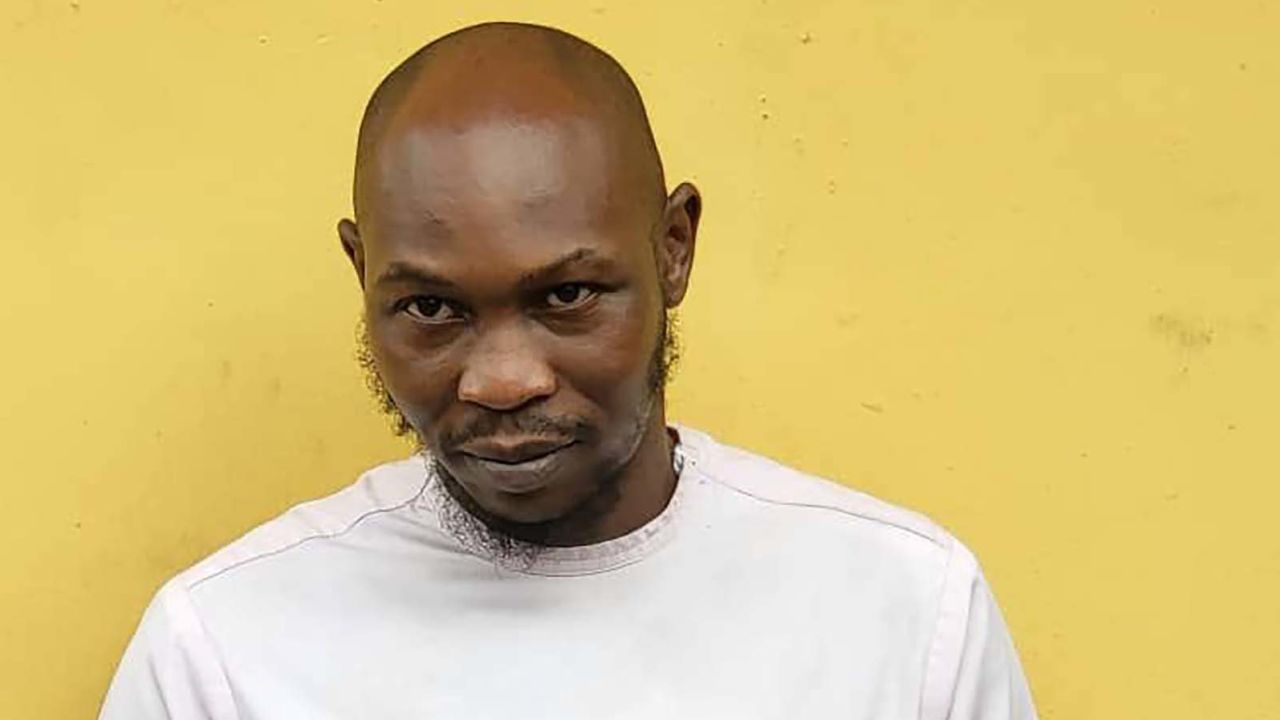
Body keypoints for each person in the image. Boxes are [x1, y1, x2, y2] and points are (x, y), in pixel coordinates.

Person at [100, 21, 1037, 719]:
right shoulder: (221, 655)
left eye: (568, 296)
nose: (502, 382)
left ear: (673, 248)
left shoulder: (906, 614)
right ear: (361, 274)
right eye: (430, 309)